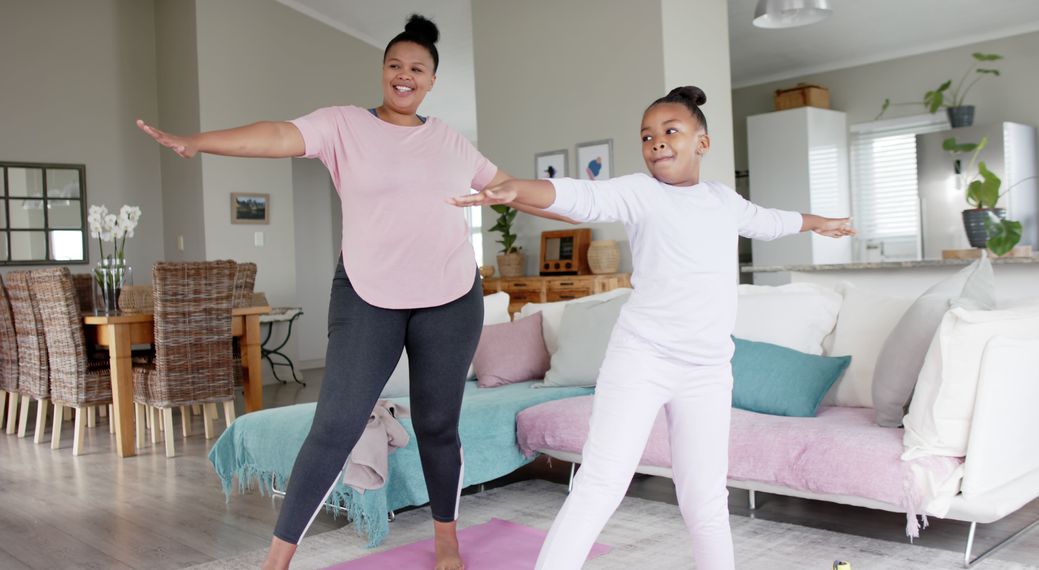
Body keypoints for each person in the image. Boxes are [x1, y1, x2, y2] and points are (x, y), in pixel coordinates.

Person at [137, 14, 564, 570]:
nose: (404, 76)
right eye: (395, 65)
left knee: (438, 424)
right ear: (382, 71)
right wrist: (201, 143)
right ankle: (276, 561)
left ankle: (446, 540)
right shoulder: (342, 126)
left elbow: (509, 188)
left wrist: (592, 198)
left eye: (418, 68)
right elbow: (274, 134)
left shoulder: (453, 143)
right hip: (368, 294)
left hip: (451, 296)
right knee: (335, 425)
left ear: (433, 80)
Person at [450, 85, 854, 570]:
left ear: (702, 143)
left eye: (670, 131)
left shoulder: (724, 201)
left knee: (705, 501)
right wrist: (516, 188)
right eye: (647, 136)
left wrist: (818, 223)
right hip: (642, 359)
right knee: (601, 484)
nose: (656, 142)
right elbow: (581, 195)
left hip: (706, 370)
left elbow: (770, 221)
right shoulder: (640, 193)